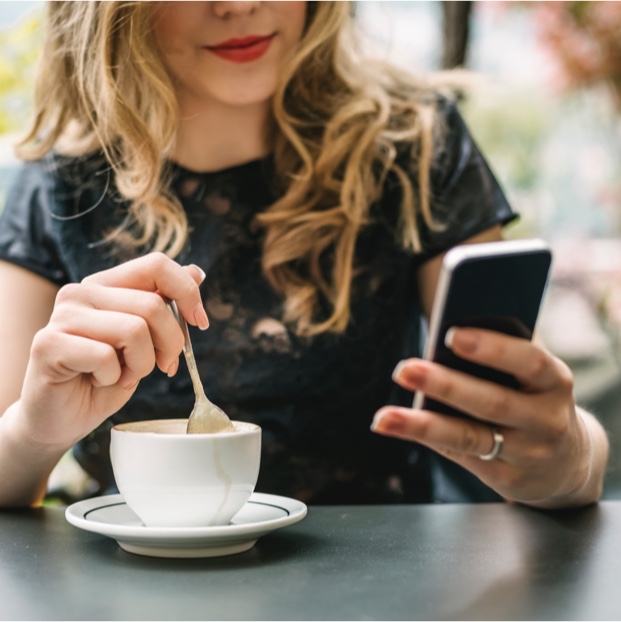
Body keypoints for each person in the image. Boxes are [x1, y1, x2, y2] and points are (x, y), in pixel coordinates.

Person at [0, 1, 608, 510]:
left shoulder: (412, 147)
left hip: (384, 582)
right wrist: (33, 432)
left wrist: (571, 459)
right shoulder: (57, 185)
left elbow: (540, 431)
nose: (238, 5)